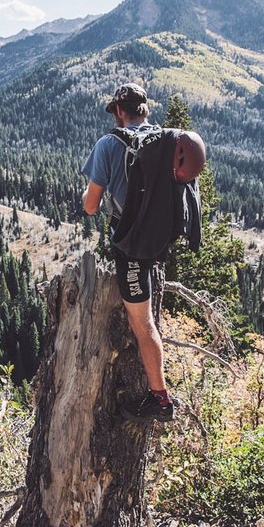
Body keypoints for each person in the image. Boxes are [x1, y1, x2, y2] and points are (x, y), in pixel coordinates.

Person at [81, 83, 175, 423]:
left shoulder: (109, 144)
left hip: (132, 247)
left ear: (120, 110)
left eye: (114, 111)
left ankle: (161, 400)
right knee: (143, 314)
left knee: (142, 322)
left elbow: (91, 206)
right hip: (158, 239)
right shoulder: (167, 140)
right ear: (145, 109)